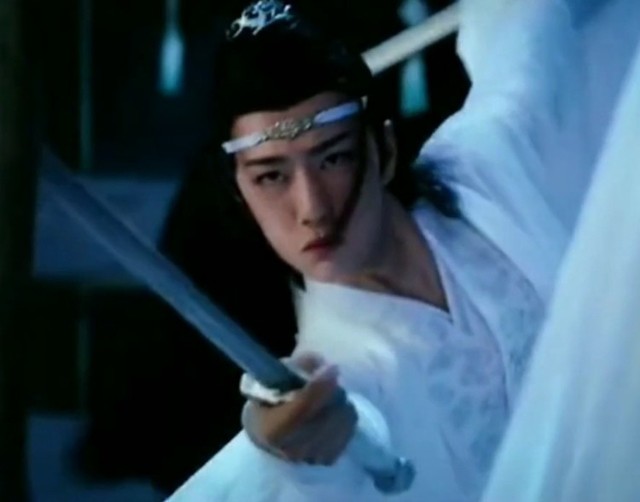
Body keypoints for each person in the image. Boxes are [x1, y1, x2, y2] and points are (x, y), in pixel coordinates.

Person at [167, 0, 632, 500]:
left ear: (383, 150)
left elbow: (526, 32)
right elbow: (341, 440)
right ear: (242, 196)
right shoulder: (340, 371)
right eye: (272, 177)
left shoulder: (485, 167)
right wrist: (285, 449)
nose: (312, 209)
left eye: (334, 158)